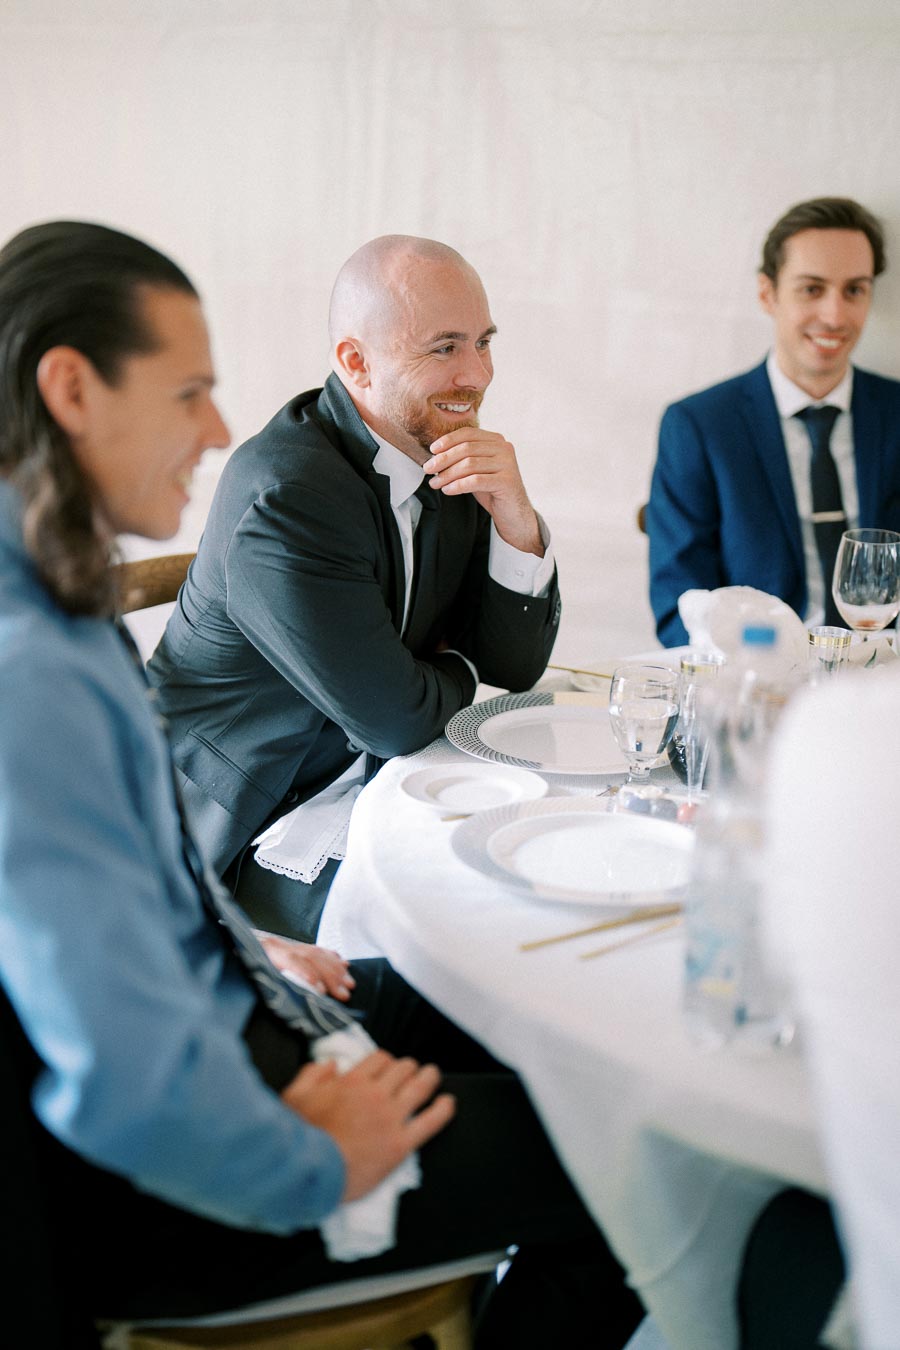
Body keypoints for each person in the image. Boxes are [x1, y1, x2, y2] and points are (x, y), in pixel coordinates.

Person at [0, 220, 642, 1348]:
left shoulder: (52, 602)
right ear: (71, 390)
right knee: (622, 1157)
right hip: (178, 1181)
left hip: (239, 995)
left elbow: (90, 914)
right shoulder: (34, 667)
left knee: (560, 1037)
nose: (216, 427)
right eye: (190, 390)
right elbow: (115, 1081)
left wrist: (238, 948)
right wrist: (316, 1159)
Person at [147, 234, 561, 941]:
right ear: (354, 362)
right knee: (455, 935)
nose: (477, 375)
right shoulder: (287, 496)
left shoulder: (442, 447)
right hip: (244, 824)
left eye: (483, 342)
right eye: (444, 348)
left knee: (541, 867)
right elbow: (398, 718)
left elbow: (514, 668)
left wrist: (518, 524)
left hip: (372, 777)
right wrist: (453, 666)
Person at [647, 196, 900, 646]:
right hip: (757, 684)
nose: (835, 316)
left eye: (854, 290)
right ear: (768, 293)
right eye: (812, 289)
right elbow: (680, 610)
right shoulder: (699, 426)